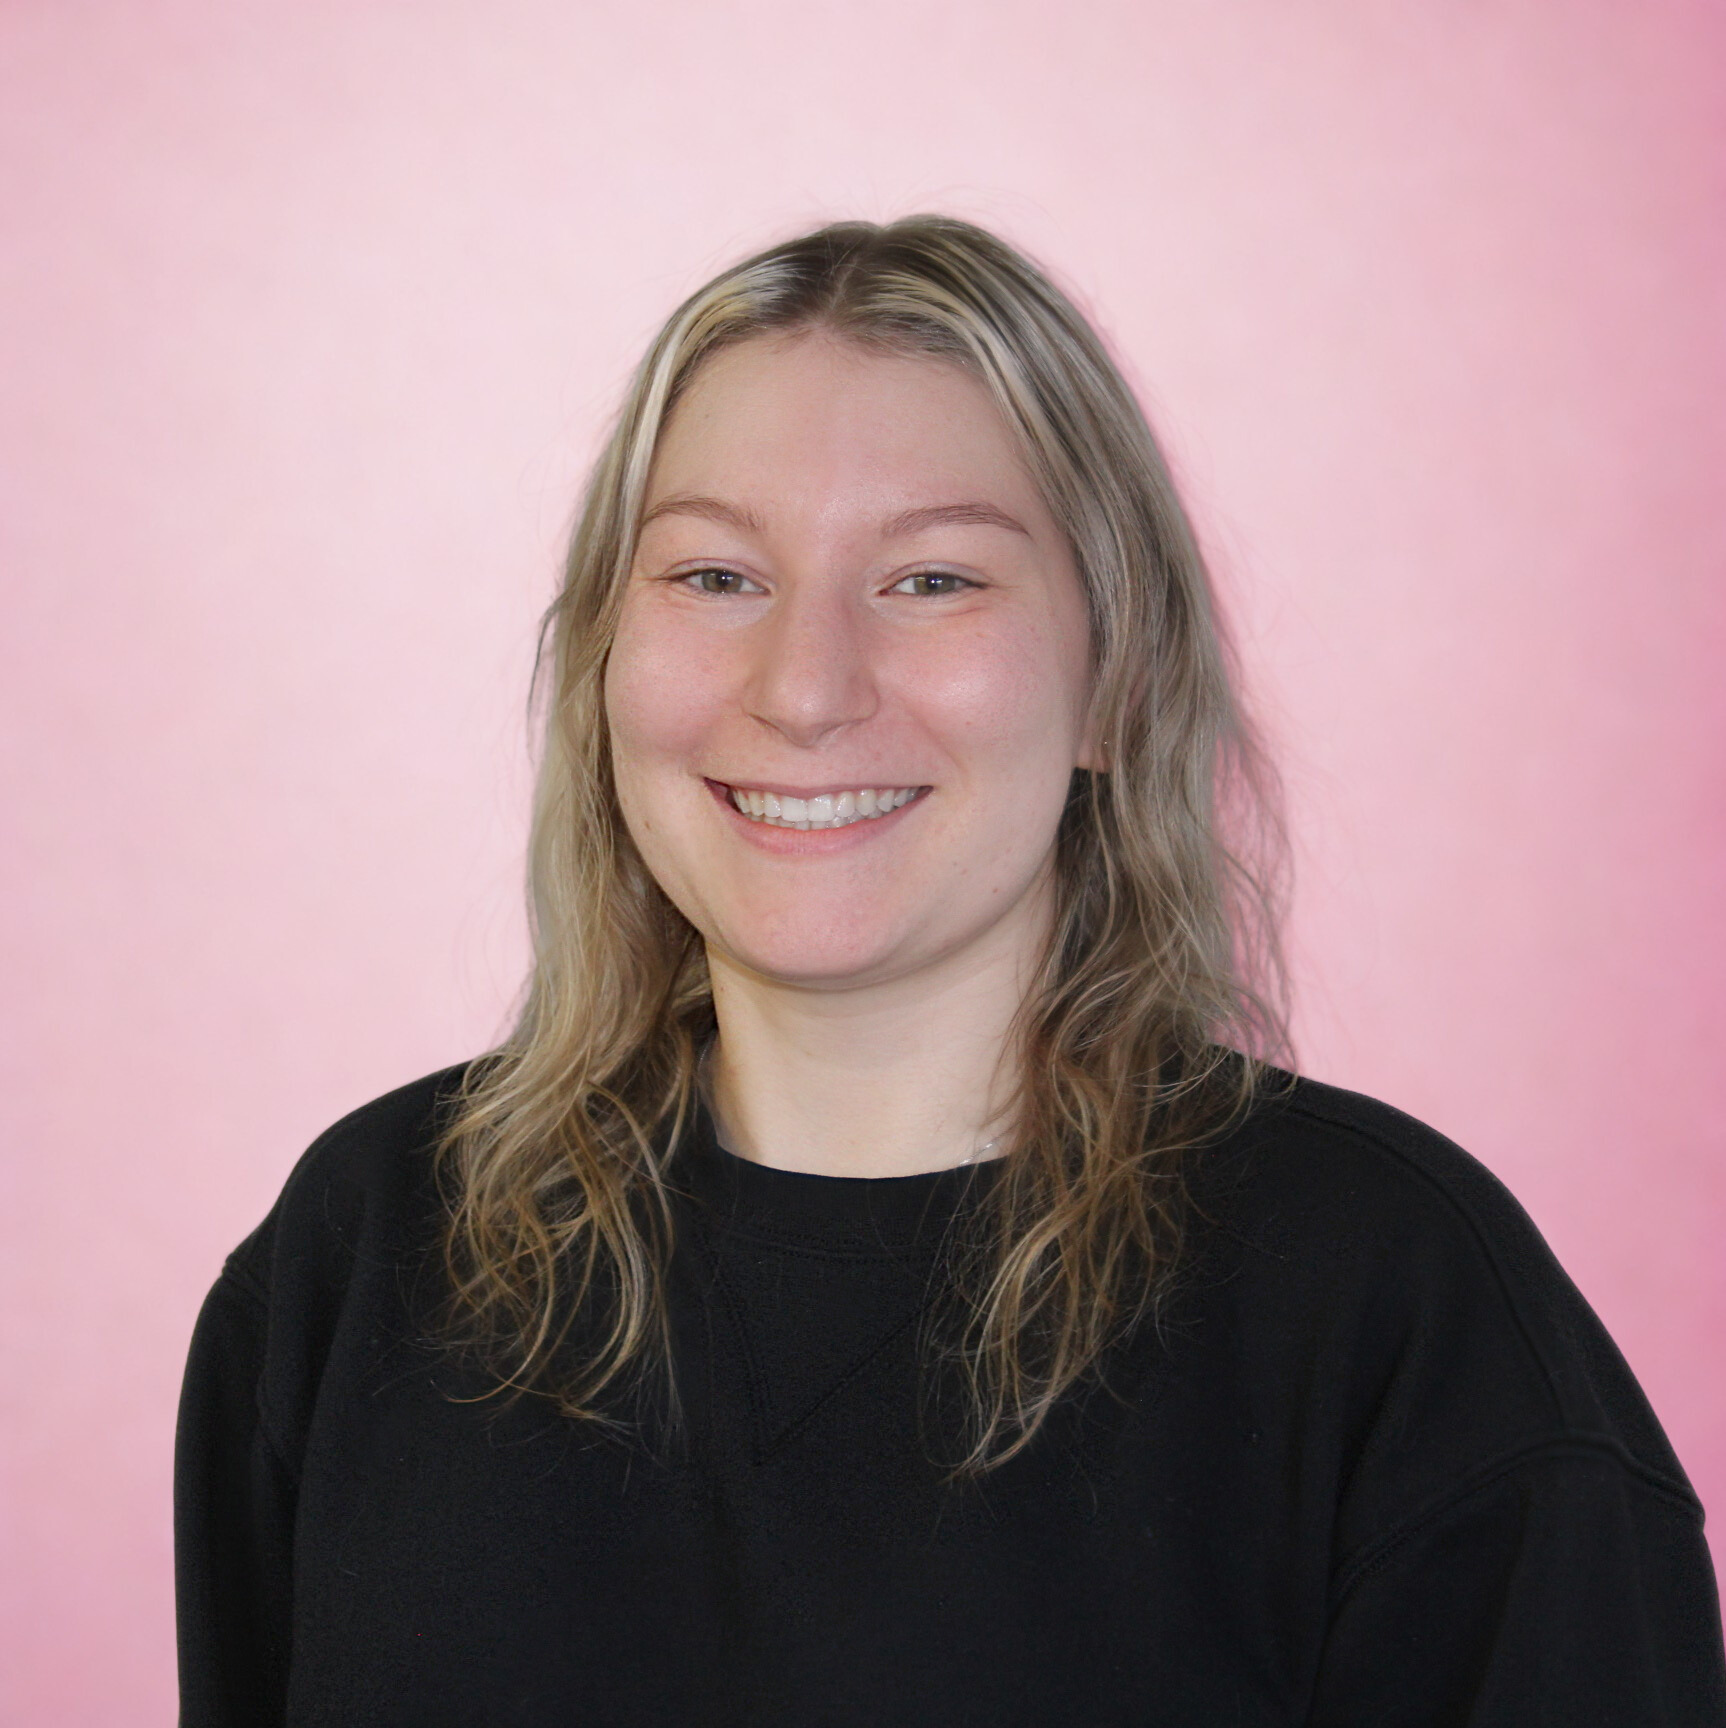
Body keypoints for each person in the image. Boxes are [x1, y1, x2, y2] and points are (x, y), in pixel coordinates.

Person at [174, 216, 1726, 1726]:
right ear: (601, 662)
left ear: (1119, 681)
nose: (803, 688)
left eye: (931, 580)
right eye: (713, 577)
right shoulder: (364, 1262)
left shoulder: (1391, 1312)